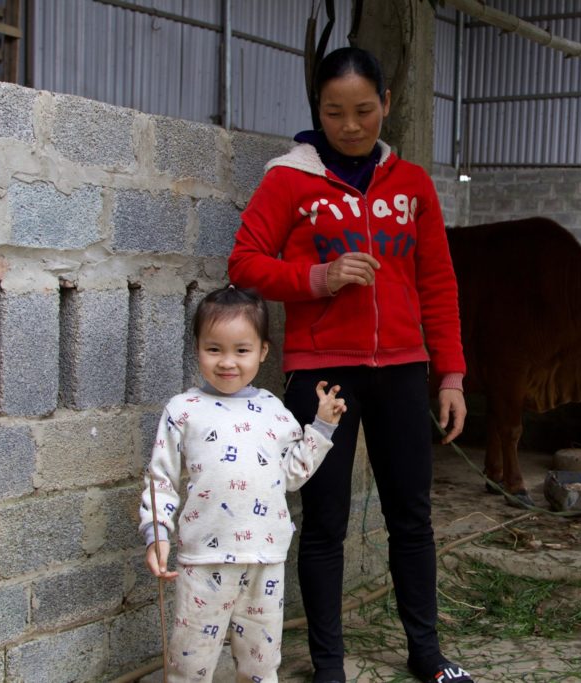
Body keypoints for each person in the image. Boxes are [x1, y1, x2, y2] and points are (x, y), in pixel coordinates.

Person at [228, 46, 472, 683]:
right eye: (335, 112)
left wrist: (450, 375)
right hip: (322, 375)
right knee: (324, 524)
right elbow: (244, 262)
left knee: (411, 518)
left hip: (402, 369)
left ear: (386, 103)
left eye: (365, 110)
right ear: (318, 109)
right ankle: (329, 668)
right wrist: (319, 277)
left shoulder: (412, 185)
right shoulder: (289, 180)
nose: (351, 125)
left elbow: (438, 282)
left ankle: (427, 655)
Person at [139, 285, 347, 683]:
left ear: (263, 351)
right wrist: (157, 533)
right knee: (190, 663)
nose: (227, 362)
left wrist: (322, 428)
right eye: (214, 349)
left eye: (241, 350)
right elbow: (159, 480)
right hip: (203, 559)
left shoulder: (274, 412)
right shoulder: (183, 410)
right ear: (197, 348)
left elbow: (291, 476)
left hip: (265, 559)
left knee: (261, 663)